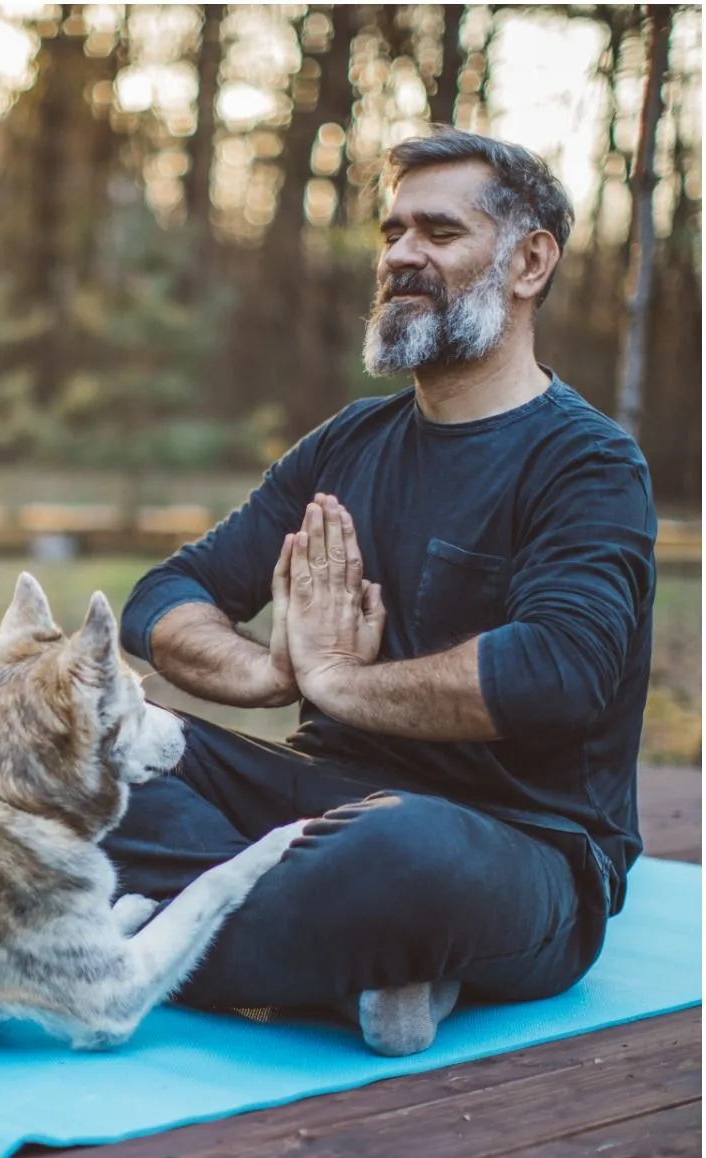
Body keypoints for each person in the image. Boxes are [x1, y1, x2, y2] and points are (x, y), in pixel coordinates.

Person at [103, 127, 658, 1056]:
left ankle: (130, 934)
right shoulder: (347, 444)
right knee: (88, 751)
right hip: (315, 805)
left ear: (529, 262)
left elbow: (559, 673)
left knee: (403, 853)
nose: (401, 254)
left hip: (516, 844)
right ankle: (333, 972)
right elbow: (164, 596)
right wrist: (265, 672)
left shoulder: (591, 463)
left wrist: (340, 684)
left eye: (438, 233)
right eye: (392, 232)